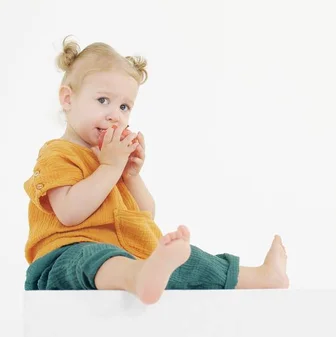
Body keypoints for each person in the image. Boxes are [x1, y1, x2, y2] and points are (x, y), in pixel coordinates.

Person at [23, 36, 289, 304]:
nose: (115, 114)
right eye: (103, 100)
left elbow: (146, 214)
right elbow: (69, 213)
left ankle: (263, 277)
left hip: (126, 251)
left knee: (188, 260)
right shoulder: (58, 153)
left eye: (124, 106)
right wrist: (110, 167)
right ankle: (138, 277)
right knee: (93, 258)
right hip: (63, 258)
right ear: (68, 99)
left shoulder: (112, 159)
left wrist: (131, 175)